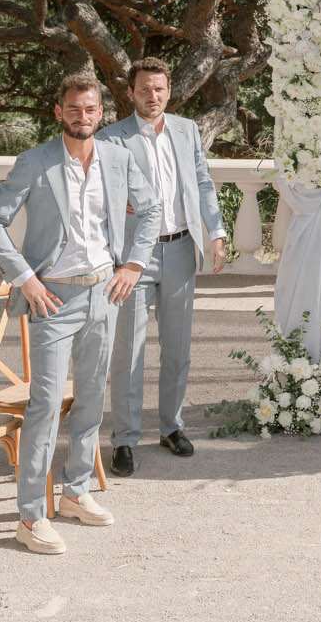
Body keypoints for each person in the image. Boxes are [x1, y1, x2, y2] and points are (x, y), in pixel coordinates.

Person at [0, 73, 162, 556]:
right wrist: (26, 278)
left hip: (105, 293)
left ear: (102, 113)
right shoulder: (35, 163)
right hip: (52, 300)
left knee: (92, 399)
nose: (83, 117)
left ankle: (76, 492)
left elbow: (151, 209)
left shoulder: (119, 159)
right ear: (58, 112)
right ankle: (29, 516)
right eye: (74, 109)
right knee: (45, 405)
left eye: (92, 110)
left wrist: (133, 265)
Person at [98, 56, 228, 477]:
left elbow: (203, 183)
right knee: (128, 352)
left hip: (179, 251)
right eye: (144, 89)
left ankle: (172, 427)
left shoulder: (187, 131)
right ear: (130, 93)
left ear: (169, 91)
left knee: (178, 349)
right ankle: (124, 439)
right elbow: (98, 192)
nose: (152, 96)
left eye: (159, 89)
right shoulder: (111, 139)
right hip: (133, 260)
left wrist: (216, 231)